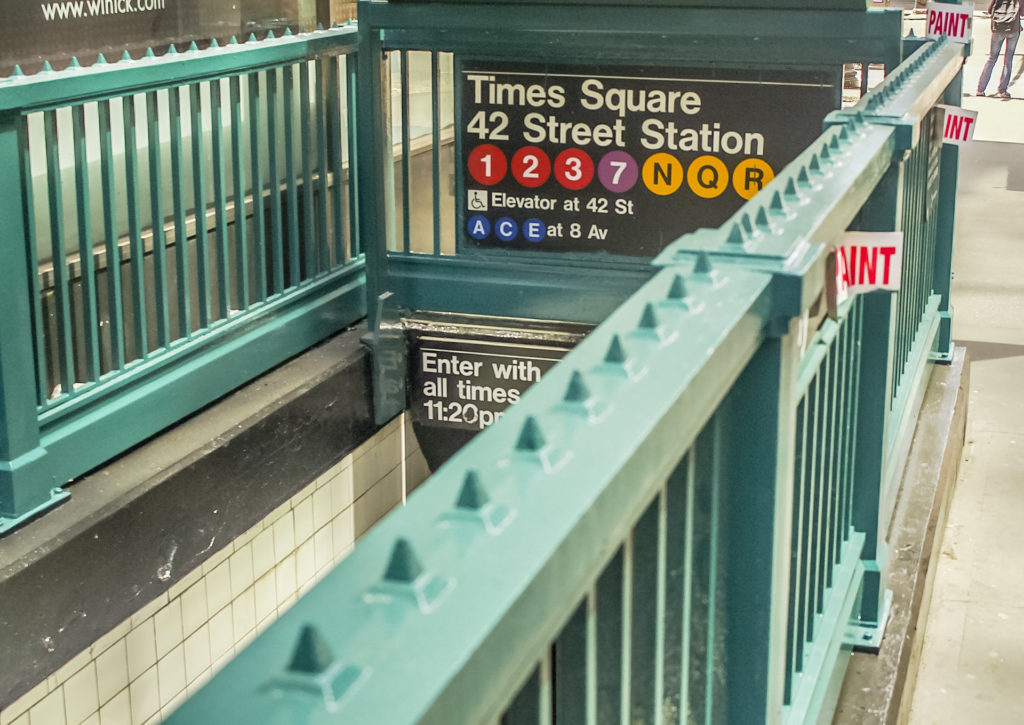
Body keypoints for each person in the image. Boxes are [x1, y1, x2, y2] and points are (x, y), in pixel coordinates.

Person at [978, 0, 1022, 98]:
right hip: (1013, 29)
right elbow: (1022, 13)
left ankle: (981, 89)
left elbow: (990, 10)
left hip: (998, 29)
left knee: (992, 58)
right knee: (1008, 60)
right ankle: (1002, 90)